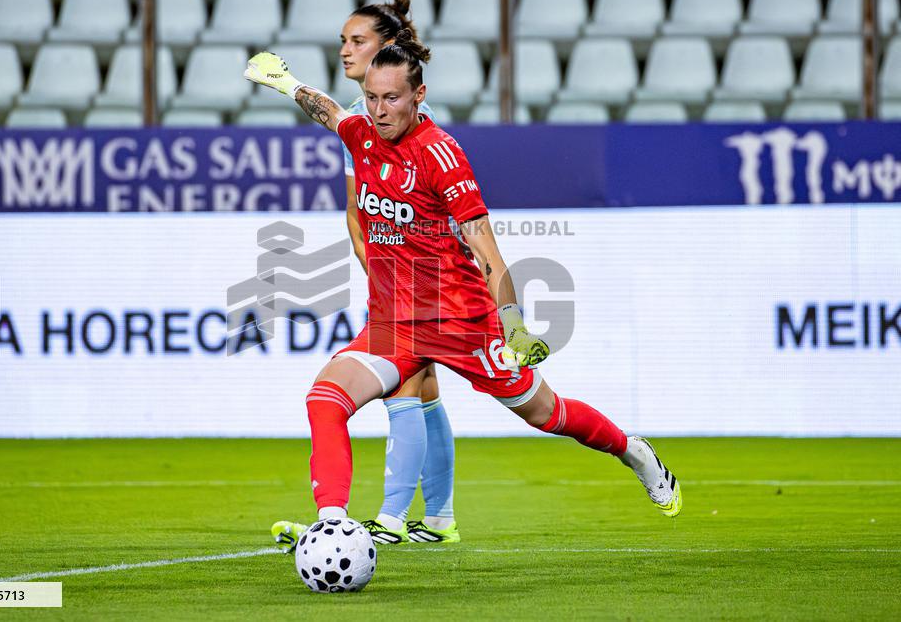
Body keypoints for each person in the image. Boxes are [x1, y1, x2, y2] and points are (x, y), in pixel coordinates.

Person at [246, 33, 682, 534]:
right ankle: (333, 527)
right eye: (371, 97)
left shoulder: (441, 155)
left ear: (419, 95)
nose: (379, 111)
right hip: (394, 325)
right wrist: (286, 83)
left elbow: (486, 251)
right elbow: (327, 111)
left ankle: (632, 450)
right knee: (325, 400)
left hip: (461, 321)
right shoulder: (360, 133)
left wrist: (514, 328)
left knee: (546, 413)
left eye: (392, 98)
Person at [273, 0, 457, 548]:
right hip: (396, 279)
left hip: (423, 280)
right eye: (343, 41)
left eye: (357, 41)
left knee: (407, 385)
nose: (345, 50)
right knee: (423, 388)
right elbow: (358, 214)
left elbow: (416, 214)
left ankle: (392, 520)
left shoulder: (404, 120)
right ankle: (438, 519)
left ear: (386, 48)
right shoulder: (363, 114)